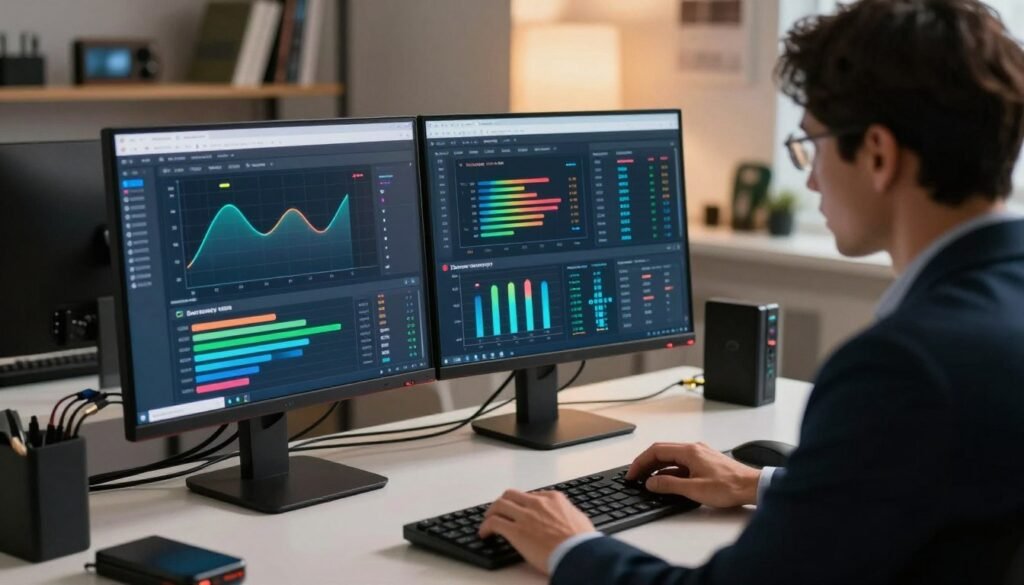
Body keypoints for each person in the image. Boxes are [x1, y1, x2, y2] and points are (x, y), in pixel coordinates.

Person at [477, 1, 1024, 583]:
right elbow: (946, 489)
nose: (809, 177)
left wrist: (571, 548)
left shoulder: (905, 367)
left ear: (879, 155)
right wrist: (759, 483)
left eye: (810, 144)